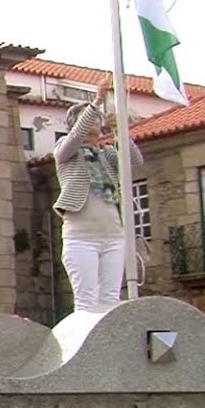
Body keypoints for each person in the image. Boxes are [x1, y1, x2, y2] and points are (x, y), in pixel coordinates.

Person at [52, 99, 143, 313]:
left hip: (113, 236)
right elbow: (74, 138)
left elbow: (134, 163)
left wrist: (119, 130)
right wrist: (95, 103)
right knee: (86, 300)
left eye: (96, 117)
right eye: (88, 116)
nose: (94, 120)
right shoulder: (66, 150)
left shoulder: (106, 154)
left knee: (110, 299)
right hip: (81, 237)